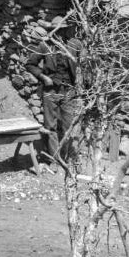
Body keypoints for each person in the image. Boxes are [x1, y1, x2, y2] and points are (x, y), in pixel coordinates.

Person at [25, 34, 82, 166]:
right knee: (50, 126)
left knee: (69, 125)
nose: (59, 33)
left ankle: (68, 157)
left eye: (63, 30)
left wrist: (80, 83)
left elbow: (85, 64)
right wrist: (43, 77)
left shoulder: (75, 44)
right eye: (56, 30)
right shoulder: (45, 45)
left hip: (69, 91)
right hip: (50, 91)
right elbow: (30, 64)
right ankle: (53, 159)